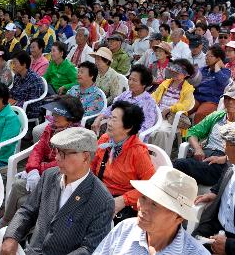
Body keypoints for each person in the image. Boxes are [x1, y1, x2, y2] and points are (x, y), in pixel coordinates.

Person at [0, 127, 114, 255]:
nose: (57, 158)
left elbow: (89, 248)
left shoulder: (102, 200)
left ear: (85, 157)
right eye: (57, 151)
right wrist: (11, 236)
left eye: (63, 153)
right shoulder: (49, 176)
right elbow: (27, 210)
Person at [0, 95, 85, 242]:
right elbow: (38, 150)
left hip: (61, 179)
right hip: (43, 173)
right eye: (54, 113)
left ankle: (10, 225)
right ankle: (10, 225)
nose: (54, 116)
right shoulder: (51, 127)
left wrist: (38, 170)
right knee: (19, 186)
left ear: (70, 117)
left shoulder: (76, 136)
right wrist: (32, 169)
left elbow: (63, 163)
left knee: (20, 189)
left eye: (59, 114)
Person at [94, 167, 209, 254]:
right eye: (143, 198)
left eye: (154, 205)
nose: (143, 208)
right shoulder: (125, 228)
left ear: (178, 217)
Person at [92, 101, 155, 224]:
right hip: (100, 193)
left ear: (128, 127)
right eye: (110, 117)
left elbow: (150, 186)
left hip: (122, 202)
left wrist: (124, 200)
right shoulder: (105, 139)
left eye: (114, 120)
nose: (109, 123)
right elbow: (92, 166)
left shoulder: (138, 152)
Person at [174, 84, 235, 186]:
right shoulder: (217, 116)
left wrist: (222, 159)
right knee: (180, 170)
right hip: (205, 155)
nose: (230, 102)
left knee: (179, 165)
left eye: (233, 99)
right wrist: (198, 148)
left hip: (224, 163)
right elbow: (192, 132)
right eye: (227, 98)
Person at [192, 122, 235, 255]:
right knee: (188, 245)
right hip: (215, 226)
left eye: (228, 144)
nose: (224, 147)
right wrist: (214, 193)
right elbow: (223, 181)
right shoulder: (230, 165)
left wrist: (229, 246)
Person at [92, 64, 157, 137]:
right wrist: (98, 118)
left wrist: (128, 134)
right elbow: (111, 108)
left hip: (132, 136)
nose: (130, 83)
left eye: (134, 80)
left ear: (144, 84)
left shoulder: (148, 102)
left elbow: (147, 125)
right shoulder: (126, 94)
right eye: (130, 79)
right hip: (115, 129)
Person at [149, 59, 196, 151]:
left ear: (185, 75)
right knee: (142, 124)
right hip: (157, 114)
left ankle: (158, 156)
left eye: (179, 72)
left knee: (162, 132)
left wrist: (170, 109)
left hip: (171, 118)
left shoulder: (188, 89)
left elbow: (185, 106)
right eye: (174, 71)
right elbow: (153, 96)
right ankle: (143, 153)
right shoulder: (165, 83)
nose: (175, 73)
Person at [189, 45, 231, 124]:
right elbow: (193, 82)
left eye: (209, 56)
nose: (206, 58)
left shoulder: (225, 71)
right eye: (206, 55)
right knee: (184, 109)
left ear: (218, 58)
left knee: (200, 114)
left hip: (211, 100)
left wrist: (217, 68)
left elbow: (223, 82)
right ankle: (179, 133)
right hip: (197, 97)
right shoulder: (202, 69)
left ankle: (195, 135)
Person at [9, 51, 44, 119]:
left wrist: (14, 103)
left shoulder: (35, 80)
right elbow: (13, 92)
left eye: (15, 63)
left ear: (24, 64)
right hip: (15, 104)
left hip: (28, 110)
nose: (13, 66)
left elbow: (33, 104)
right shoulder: (18, 76)